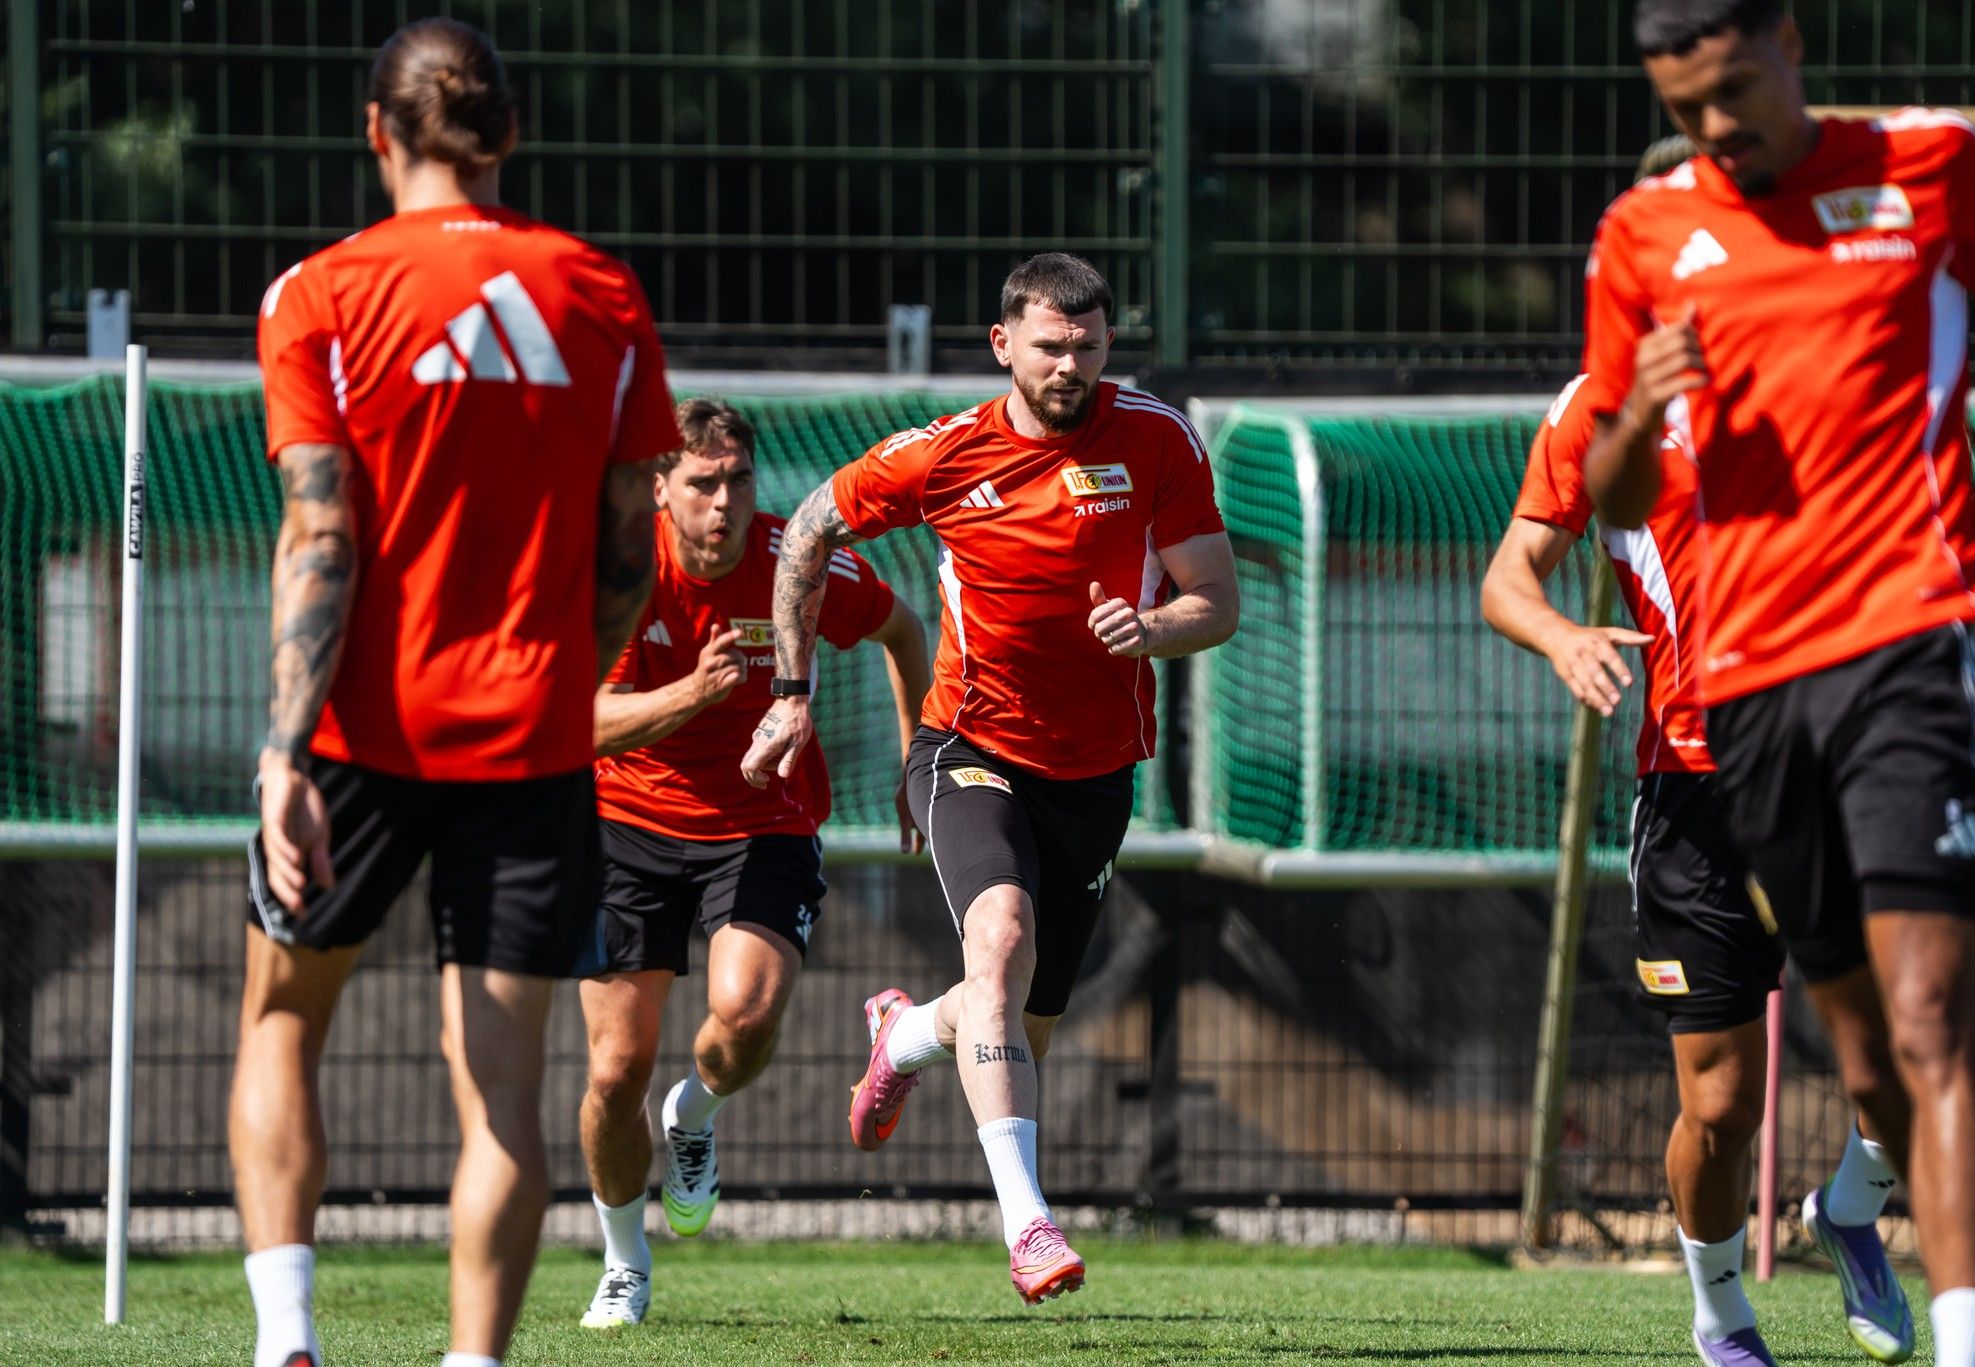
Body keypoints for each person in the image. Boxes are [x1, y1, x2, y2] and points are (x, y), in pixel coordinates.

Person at [1582, 3, 1975, 1363]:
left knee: (1926, 1021)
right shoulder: (1643, 236)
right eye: (1684, 110)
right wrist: (1630, 415)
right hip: (1741, 688)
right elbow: (1606, 483)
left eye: (1733, 88)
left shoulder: (1931, 166)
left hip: (1913, 631)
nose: (1717, 127)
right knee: (1864, 1064)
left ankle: (1963, 1345)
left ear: (1787, 41)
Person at [232, 19, 679, 1367]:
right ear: (509, 137)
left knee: (278, 1021)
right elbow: (625, 553)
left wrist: (281, 751)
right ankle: (475, 1359)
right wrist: (563, 668)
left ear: (377, 131)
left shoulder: (317, 292)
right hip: (532, 745)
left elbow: (321, 536)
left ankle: (286, 1341)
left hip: (360, 739)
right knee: (501, 1093)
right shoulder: (599, 293)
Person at [1488, 371, 1975, 1365]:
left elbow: (1922, 530)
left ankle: (1847, 1213)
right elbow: (1508, 577)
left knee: (1913, 1055)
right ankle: (1720, 1312)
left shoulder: (1822, 359)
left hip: (1842, 765)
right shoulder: (1601, 402)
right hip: (1694, 797)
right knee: (1719, 1104)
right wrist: (1561, 634)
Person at [740, 252, 1238, 1303]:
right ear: (1003, 342)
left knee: (1012, 1016)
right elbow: (810, 528)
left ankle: (904, 1032)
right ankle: (1030, 1224)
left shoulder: (1154, 436)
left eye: (1090, 345)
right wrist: (791, 688)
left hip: (1097, 771)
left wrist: (1149, 628)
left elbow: (1218, 601)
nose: (1070, 365)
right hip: (969, 746)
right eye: (1050, 345)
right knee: (1000, 938)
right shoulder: (942, 452)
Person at [574, 398, 929, 1328]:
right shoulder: (616, 569)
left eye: (737, 480)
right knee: (615, 1071)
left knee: (747, 1012)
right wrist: (695, 690)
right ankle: (623, 1260)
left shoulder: (795, 563)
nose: (722, 502)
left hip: (762, 817)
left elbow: (903, 629)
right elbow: (578, 727)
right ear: (660, 490)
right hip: (621, 824)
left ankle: (695, 1113)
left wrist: (916, 759)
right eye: (701, 482)